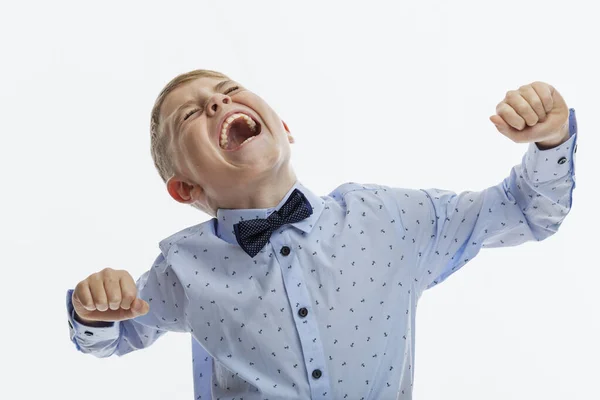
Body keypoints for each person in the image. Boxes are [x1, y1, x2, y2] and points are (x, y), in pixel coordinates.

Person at [65, 69, 578, 399]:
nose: (218, 105)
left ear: (283, 127)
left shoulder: (390, 219)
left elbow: (525, 211)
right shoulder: (181, 268)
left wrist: (551, 139)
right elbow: (115, 337)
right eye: (193, 114)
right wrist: (94, 311)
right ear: (184, 189)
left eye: (228, 92)